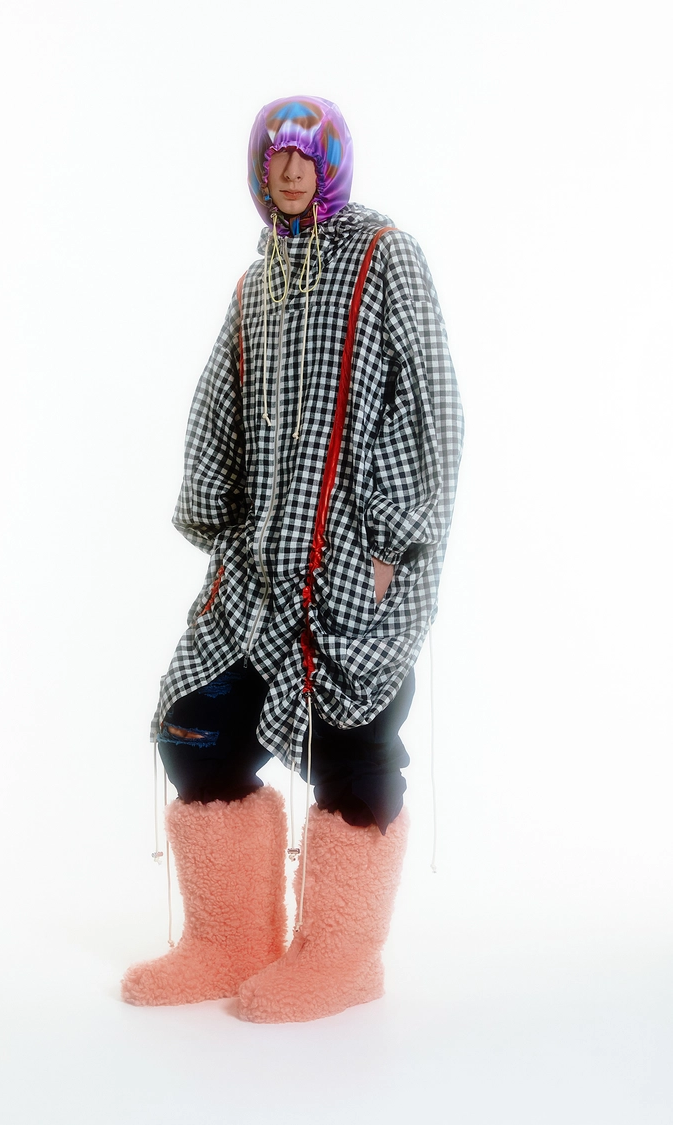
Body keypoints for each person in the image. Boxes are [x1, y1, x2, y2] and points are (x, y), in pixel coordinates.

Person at [121, 96, 464, 1022]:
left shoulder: (385, 257)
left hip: (354, 572)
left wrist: (389, 545)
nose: (289, 168)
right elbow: (218, 406)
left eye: (308, 154)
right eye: (274, 154)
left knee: (353, 753)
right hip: (261, 571)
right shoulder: (257, 283)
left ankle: (342, 957)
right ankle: (229, 940)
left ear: (334, 163)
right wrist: (219, 516)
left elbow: (430, 408)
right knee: (194, 725)